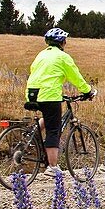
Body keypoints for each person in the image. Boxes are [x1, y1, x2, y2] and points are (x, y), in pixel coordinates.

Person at [26, 27, 95, 176]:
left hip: (32, 94)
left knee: (49, 118)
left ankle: (30, 135)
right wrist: (88, 91)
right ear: (63, 42)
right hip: (49, 95)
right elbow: (76, 77)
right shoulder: (63, 57)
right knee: (53, 129)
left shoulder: (41, 55)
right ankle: (52, 167)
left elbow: (37, 72)